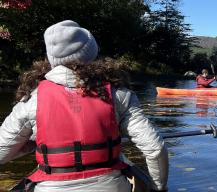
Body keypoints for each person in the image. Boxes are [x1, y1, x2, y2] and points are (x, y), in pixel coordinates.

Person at [0, 20, 168, 192]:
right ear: (91, 54)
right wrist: (158, 188)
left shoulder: (31, 101)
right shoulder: (120, 95)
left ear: (51, 59)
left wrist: (26, 148)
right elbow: (155, 149)